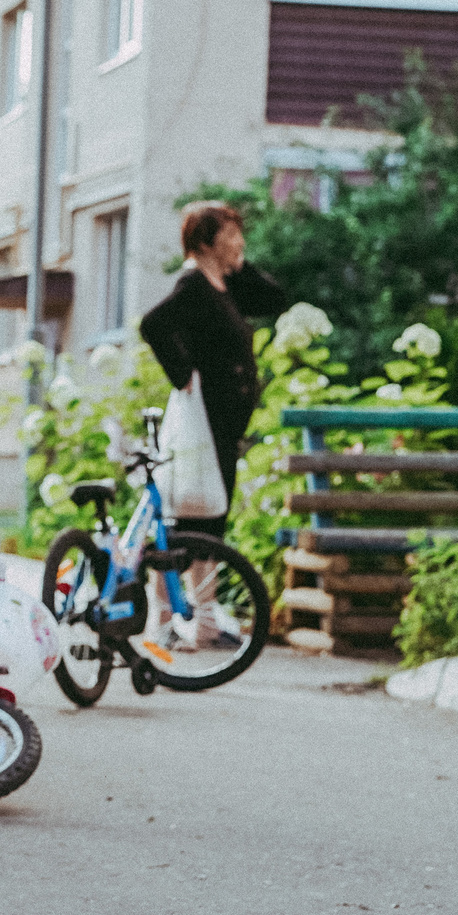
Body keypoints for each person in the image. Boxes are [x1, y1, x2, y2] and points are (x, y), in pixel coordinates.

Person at [137, 200, 288, 643]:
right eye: (231, 234)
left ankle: (199, 623)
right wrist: (184, 375)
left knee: (207, 521)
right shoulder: (193, 286)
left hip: (222, 424)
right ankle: (169, 624)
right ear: (205, 241)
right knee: (188, 523)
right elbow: (154, 325)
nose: (241, 241)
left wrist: (241, 267)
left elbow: (275, 299)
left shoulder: (225, 286)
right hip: (203, 422)